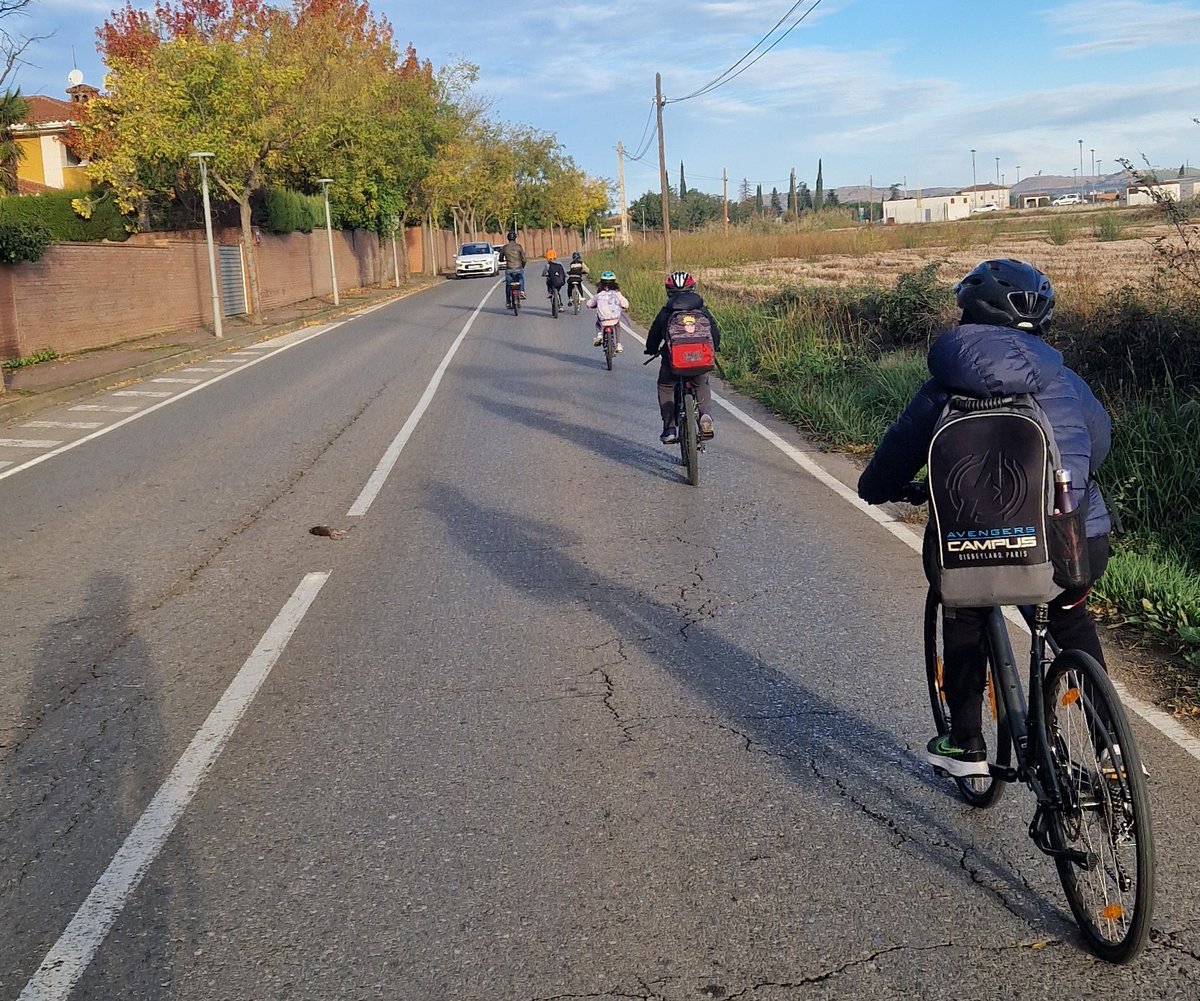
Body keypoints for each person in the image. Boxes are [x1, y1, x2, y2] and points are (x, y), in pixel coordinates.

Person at [856, 259, 1114, 779]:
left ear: (969, 317)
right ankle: (1113, 751)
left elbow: (897, 453)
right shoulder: (1064, 380)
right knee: (1070, 618)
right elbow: (1099, 445)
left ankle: (968, 743)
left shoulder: (943, 384)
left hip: (973, 543)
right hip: (1069, 540)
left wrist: (877, 489)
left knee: (965, 613)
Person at [644, 270, 720, 444]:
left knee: (665, 386)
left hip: (673, 364)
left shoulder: (665, 313)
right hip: (701, 361)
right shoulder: (702, 310)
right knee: (702, 382)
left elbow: (654, 335)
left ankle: (669, 428)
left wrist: (651, 349)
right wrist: (715, 347)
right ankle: (705, 416)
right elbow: (714, 333)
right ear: (692, 288)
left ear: (669, 291)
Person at [586, 271, 629, 354]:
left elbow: (589, 304)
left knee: (598, 321)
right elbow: (626, 304)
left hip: (603, 319)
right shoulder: (617, 294)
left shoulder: (599, 295)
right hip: (614, 317)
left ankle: (599, 334)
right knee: (617, 326)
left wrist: (594, 305)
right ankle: (618, 344)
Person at [500, 231, 527, 308]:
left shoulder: (505, 247)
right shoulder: (519, 247)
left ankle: (508, 302)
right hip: (518, 268)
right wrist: (522, 266)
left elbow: (500, 257)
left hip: (509, 269)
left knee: (508, 285)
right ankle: (522, 291)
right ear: (515, 238)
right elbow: (524, 259)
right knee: (521, 278)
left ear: (508, 238)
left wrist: (502, 260)